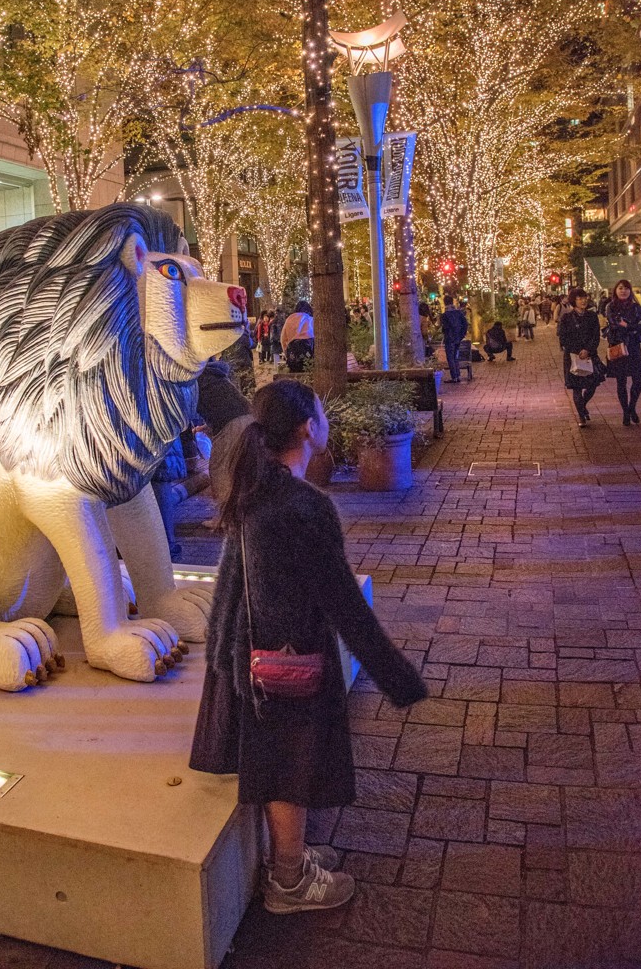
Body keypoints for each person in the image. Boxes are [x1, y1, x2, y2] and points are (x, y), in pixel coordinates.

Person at [189, 379, 426, 914]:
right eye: (321, 414)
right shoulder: (299, 504)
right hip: (285, 653)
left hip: (250, 648)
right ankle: (289, 882)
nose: (326, 421)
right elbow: (344, 602)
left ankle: (291, 863)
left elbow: (233, 580)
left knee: (282, 763)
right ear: (305, 429)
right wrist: (399, 678)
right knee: (288, 769)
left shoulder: (253, 485)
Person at [196, 358, 253, 509]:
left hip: (231, 424)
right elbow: (221, 404)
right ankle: (239, 513)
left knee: (219, 469)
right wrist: (207, 427)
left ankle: (225, 517)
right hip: (247, 417)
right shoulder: (215, 376)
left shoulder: (196, 378)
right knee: (239, 468)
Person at [559, 287, 604, 428]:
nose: (583, 300)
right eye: (579, 298)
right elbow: (563, 338)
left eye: (585, 297)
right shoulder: (566, 317)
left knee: (593, 384)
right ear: (574, 300)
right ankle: (581, 416)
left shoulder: (592, 316)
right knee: (577, 387)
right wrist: (578, 351)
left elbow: (596, 336)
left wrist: (588, 350)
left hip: (590, 355)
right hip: (573, 357)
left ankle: (582, 406)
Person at [605, 278, 641, 426]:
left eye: (626, 288)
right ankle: (625, 411)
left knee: (637, 380)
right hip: (618, 347)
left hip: (634, 347)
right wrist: (634, 327)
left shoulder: (636, 307)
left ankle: (632, 408)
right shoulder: (611, 306)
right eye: (621, 288)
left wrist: (628, 325)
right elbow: (614, 324)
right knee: (621, 381)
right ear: (616, 290)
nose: (624, 291)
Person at [440, 295, 468, 383]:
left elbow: (445, 327)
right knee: (455, 357)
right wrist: (462, 335)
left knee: (450, 357)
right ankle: (458, 375)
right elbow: (465, 324)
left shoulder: (445, 315)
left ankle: (454, 377)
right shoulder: (458, 313)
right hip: (457, 338)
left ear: (444, 303)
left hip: (449, 338)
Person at [281, 300, 315, 373]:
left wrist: (286, 353)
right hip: (308, 356)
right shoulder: (310, 319)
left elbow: (283, 339)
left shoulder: (289, 320)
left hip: (293, 356)